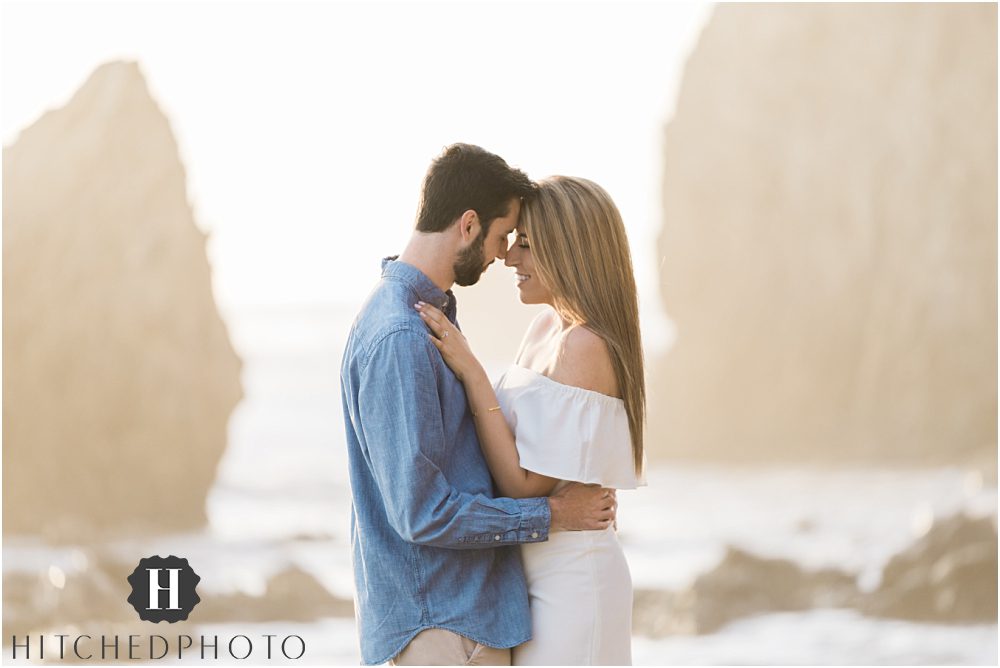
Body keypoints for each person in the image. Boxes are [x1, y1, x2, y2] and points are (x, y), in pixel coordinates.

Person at [340, 146, 618, 666]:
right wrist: (553, 513)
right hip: (444, 627)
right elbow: (421, 514)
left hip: (458, 620)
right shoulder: (401, 335)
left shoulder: (421, 316)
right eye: (501, 237)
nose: (503, 255)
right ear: (468, 225)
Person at [415, 175, 646, 665]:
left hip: (574, 582)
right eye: (514, 241)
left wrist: (473, 373)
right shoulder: (544, 327)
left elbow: (523, 485)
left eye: (527, 244)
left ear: (569, 251)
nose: (509, 257)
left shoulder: (585, 346)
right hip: (528, 577)